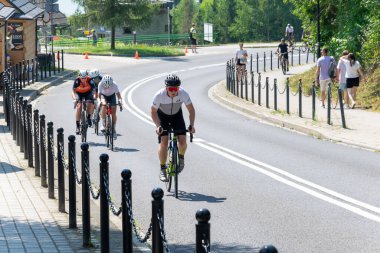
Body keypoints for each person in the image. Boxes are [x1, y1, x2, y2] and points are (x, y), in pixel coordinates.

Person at [151, 74, 195, 182]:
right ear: (166, 88)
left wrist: (192, 125)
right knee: (164, 142)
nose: (173, 91)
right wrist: (158, 126)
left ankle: (181, 157)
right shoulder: (159, 95)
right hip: (163, 118)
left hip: (177, 117)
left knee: (183, 141)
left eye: (176, 89)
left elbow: (191, 110)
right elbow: (153, 112)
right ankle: (162, 168)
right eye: (171, 89)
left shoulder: (183, 93)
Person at [97, 75, 122, 139]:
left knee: (113, 112)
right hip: (103, 96)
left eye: (109, 86)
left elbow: (119, 95)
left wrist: (120, 101)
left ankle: (113, 129)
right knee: (104, 105)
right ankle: (103, 124)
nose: (107, 87)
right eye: (106, 86)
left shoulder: (114, 84)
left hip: (112, 96)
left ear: (112, 83)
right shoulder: (100, 84)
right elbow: (99, 95)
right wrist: (99, 101)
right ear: (103, 82)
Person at [72, 69, 95, 134]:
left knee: (89, 103)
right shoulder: (77, 81)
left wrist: (94, 97)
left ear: (87, 76)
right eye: (82, 78)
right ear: (80, 77)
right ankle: (77, 126)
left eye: (85, 78)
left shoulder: (90, 80)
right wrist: (74, 99)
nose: (83, 79)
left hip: (88, 93)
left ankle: (88, 117)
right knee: (79, 107)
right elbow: (73, 92)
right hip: (79, 93)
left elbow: (93, 91)